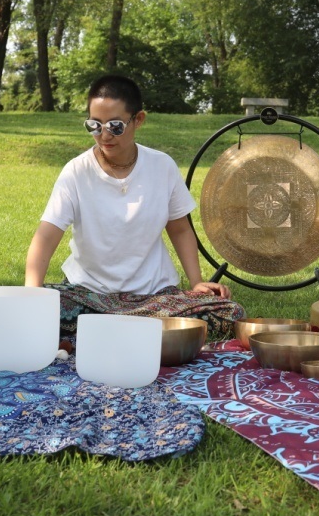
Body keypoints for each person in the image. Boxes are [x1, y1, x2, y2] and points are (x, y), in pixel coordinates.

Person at [24, 74, 244, 337]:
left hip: (154, 297)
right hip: (89, 296)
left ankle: (109, 330)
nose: (104, 135)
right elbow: (46, 235)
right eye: (94, 125)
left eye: (115, 126)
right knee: (43, 306)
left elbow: (181, 230)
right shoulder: (76, 171)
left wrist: (196, 283)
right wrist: (32, 295)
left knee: (229, 312)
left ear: (138, 120)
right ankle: (141, 331)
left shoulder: (162, 166)